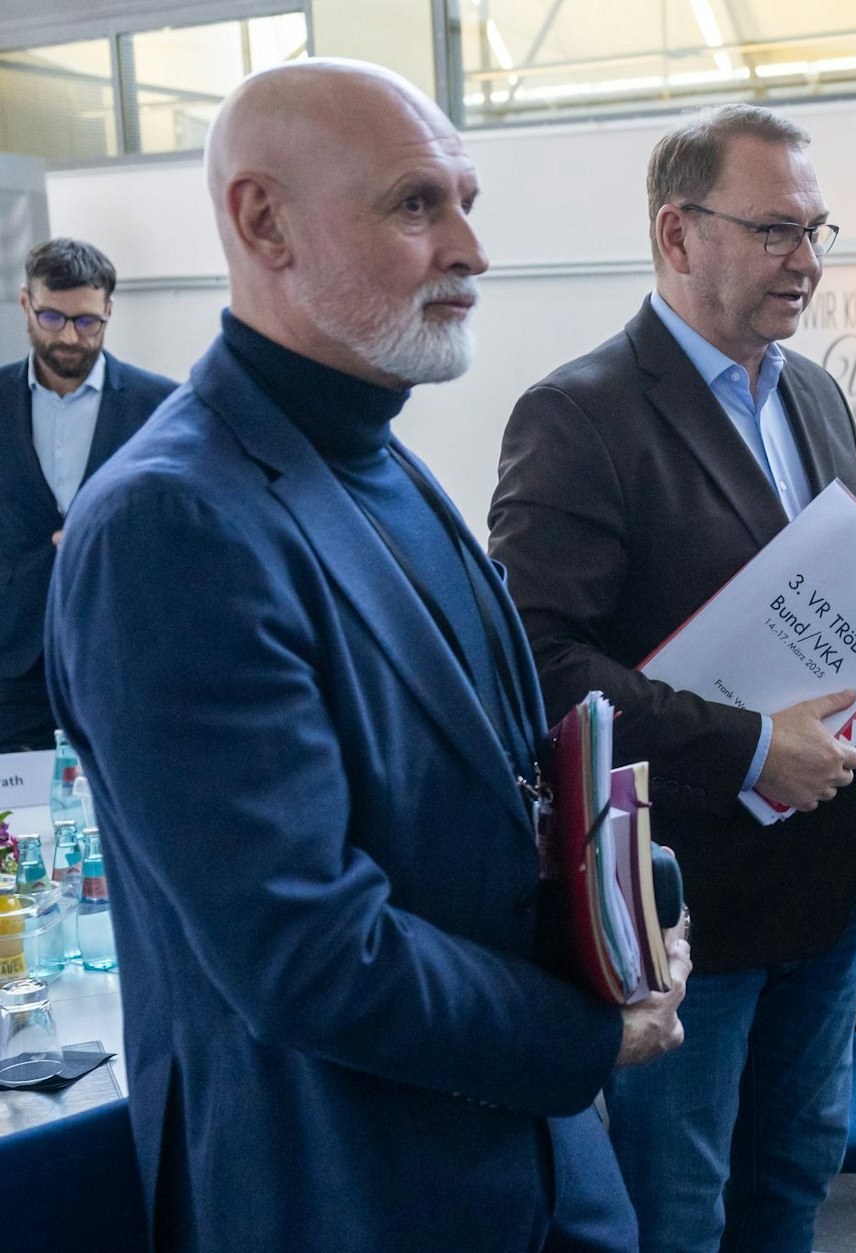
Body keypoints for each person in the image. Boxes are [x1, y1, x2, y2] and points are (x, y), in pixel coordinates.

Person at [43, 60, 687, 1251]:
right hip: (351, 1188)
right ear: (263, 221)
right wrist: (589, 1037)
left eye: (465, 201)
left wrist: (642, 914)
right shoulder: (169, 523)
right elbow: (306, 949)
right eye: (414, 204)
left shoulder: (376, 454)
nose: (471, 249)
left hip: (531, 1166)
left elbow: (494, 799)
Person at [488, 102, 856, 1253]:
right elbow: (535, 662)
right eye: (776, 230)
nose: (807, 260)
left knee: (792, 1179)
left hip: (824, 889)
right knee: (676, 1210)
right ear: (676, 234)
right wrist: (749, 746)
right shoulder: (578, 414)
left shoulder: (814, 393)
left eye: (816, 230)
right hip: (683, 913)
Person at [0, 238, 176, 751]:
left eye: (87, 322)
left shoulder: (162, 406)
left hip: (126, 657)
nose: (69, 337)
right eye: (52, 318)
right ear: (26, 303)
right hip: (13, 665)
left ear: (109, 312)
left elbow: (183, 527)